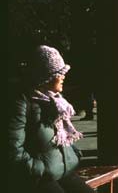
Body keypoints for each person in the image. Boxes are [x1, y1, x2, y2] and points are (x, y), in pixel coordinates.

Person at [8, 45, 93, 193]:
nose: (63, 77)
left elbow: (62, 136)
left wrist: (73, 154)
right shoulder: (23, 103)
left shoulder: (57, 101)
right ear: (46, 76)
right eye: (59, 73)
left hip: (62, 171)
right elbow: (13, 149)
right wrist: (38, 168)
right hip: (39, 177)